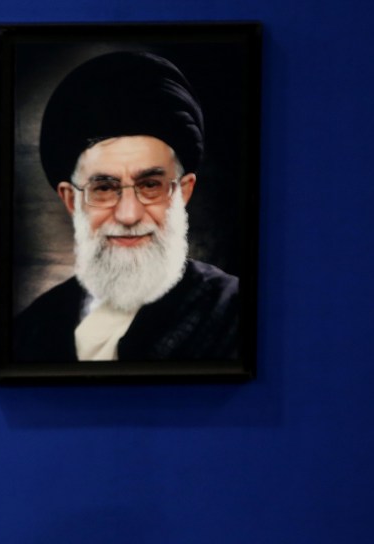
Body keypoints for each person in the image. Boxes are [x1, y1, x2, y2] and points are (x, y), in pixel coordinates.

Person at [14, 51, 239, 362]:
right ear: (71, 199)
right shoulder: (30, 330)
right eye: (104, 188)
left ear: (183, 192)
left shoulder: (234, 313)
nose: (129, 215)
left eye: (150, 186)